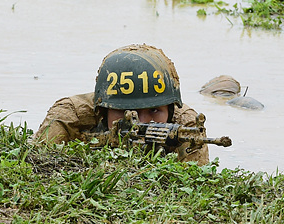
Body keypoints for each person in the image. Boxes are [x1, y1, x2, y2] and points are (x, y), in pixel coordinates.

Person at [33, 44, 210, 164]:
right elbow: (37, 163)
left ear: (171, 110)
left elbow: (197, 180)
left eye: (154, 110)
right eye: (126, 111)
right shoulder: (70, 116)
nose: (141, 122)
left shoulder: (187, 127)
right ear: (103, 111)